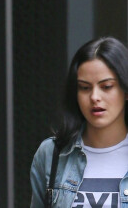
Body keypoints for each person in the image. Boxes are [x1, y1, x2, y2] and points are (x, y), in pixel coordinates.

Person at [30, 36, 128, 207]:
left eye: (106, 87)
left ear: (125, 90)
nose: (94, 97)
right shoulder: (51, 154)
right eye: (84, 87)